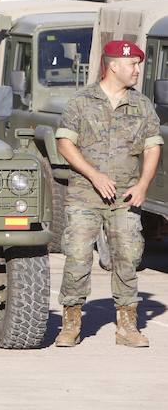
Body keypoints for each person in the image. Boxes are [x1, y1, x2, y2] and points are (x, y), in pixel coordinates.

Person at [54, 39, 163, 348]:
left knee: (128, 256)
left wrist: (142, 184)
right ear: (114, 65)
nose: (138, 70)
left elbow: (153, 146)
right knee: (77, 257)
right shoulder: (81, 101)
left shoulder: (141, 105)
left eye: (138, 64)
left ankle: (127, 326)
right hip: (84, 197)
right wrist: (93, 174)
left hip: (125, 198)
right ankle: (71, 323)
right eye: (133, 65)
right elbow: (65, 144)